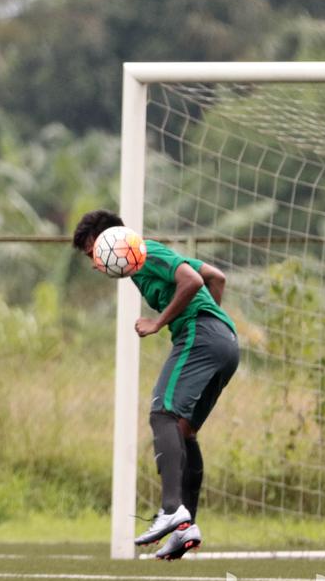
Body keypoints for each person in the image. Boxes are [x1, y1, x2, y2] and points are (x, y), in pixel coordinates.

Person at [71, 210, 239, 560]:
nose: (94, 263)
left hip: (202, 336)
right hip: (223, 343)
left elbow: (192, 281)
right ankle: (185, 528)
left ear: (111, 241)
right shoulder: (142, 262)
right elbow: (215, 277)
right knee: (183, 430)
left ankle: (172, 509)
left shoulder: (144, 251)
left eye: (93, 253)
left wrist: (161, 323)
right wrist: (211, 321)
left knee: (161, 414)